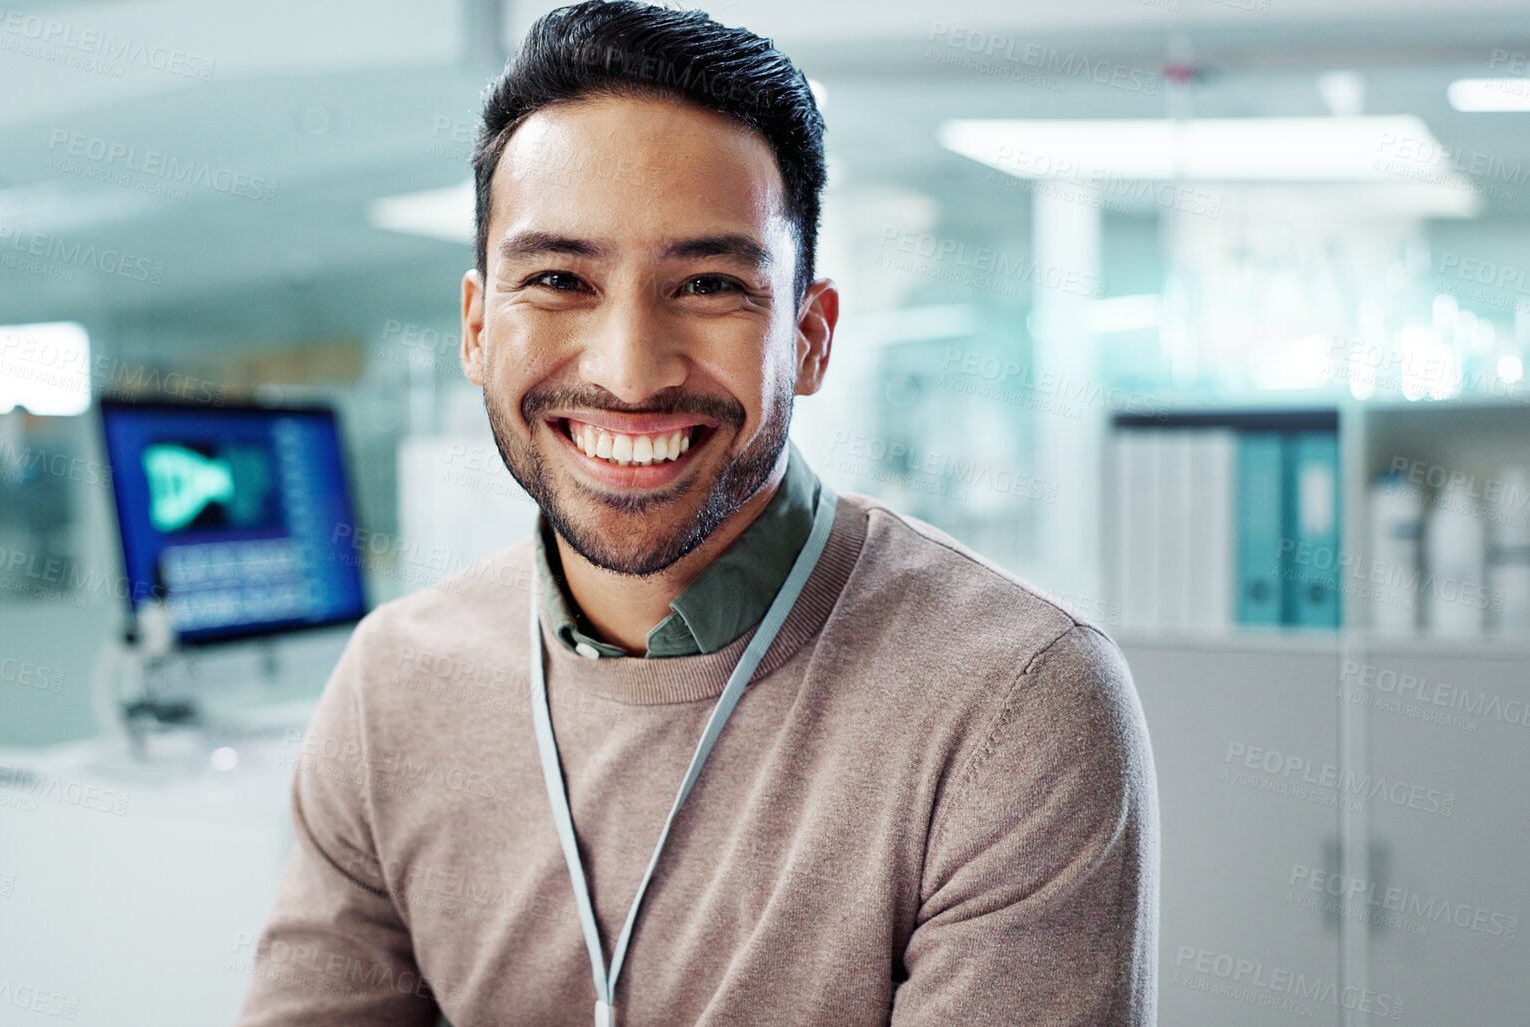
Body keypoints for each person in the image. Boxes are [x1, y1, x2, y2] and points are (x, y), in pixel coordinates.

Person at [236, 2, 1158, 1023]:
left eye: (710, 284)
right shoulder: (392, 687)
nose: (630, 370)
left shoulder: (1010, 702)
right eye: (557, 279)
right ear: (476, 327)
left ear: (809, 336)